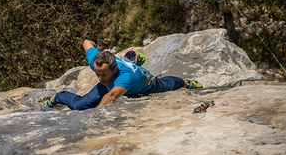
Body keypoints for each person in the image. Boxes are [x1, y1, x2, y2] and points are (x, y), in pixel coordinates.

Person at [43, 40, 202, 110]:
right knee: (79, 106)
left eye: (103, 74)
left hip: (144, 84)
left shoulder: (125, 77)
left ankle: (186, 82)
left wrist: (93, 117)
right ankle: (57, 97)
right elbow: (87, 42)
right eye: (97, 74)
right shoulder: (98, 61)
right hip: (112, 85)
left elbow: (111, 98)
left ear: (114, 70)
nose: (99, 78)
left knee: (167, 85)